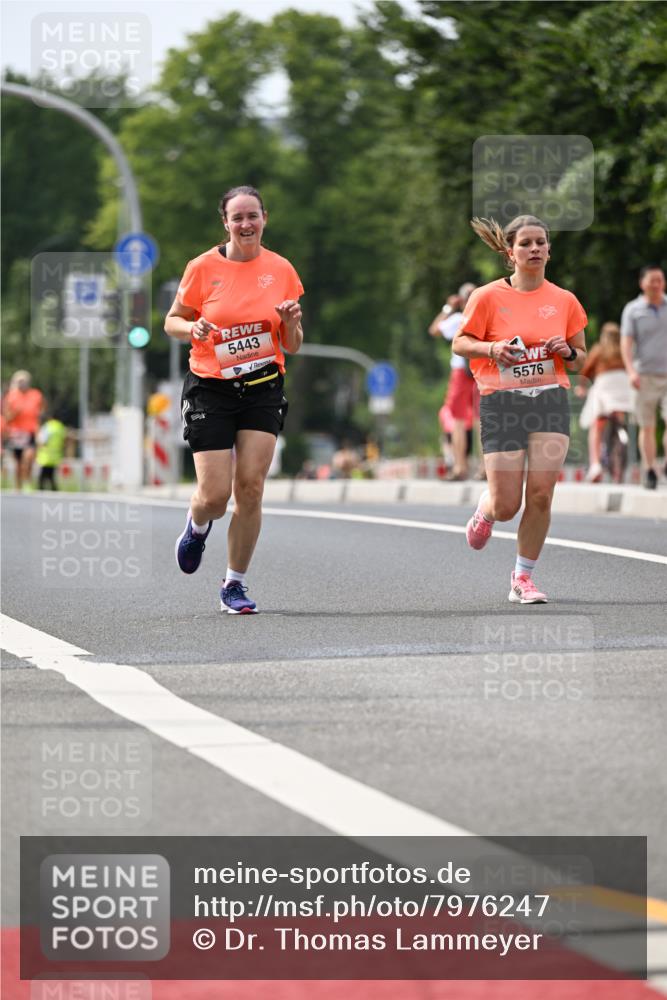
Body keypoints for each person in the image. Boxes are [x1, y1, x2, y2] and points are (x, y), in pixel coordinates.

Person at [165, 185, 304, 614]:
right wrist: (195, 330)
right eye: (237, 217)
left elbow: (293, 345)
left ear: (265, 219)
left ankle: (234, 585)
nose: (246, 224)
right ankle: (197, 524)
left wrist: (291, 323)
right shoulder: (202, 267)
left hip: (263, 385)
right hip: (211, 386)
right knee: (215, 496)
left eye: (253, 216)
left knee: (251, 488)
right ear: (224, 222)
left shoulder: (281, 270)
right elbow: (172, 320)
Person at [452, 215, 587, 604]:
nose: (535, 249)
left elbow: (580, 358)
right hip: (503, 402)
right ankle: (486, 510)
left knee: (542, 494)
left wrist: (568, 352)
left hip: (549, 400)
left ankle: (522, 578)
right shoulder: (487, 296)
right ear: (509, 253)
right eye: (526, 243)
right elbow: (460, 344)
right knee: (508, 504)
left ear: (549, 249)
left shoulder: (564, 300)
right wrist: (491, 349)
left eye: (541, 242)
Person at [620, 265, 667, 489]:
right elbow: (626, 343)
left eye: (660, 280)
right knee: (647, 426)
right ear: (643, 283)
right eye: (652, 281)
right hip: (644, 375)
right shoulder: (633, 310)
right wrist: (630, 371)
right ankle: (649, 469)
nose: (656, 284)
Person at [429, 283, 479, 480]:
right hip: (480, 369)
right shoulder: (485, 317)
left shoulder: (458, 318)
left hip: (461, 372)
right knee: (480, 420)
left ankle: (460, 467)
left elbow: (434, 330)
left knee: (459, 421)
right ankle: (483, 468)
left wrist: (448, 307)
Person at [575, 322, 634, 482]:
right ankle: (620, 432)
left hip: (605, 386)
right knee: (618, 414)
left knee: (597, 425)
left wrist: (581, 388)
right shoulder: (624, 350)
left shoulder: (599, 350)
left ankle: (595, 465)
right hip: (623, 386)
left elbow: (586, 370)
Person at [2, 370, 45, 491]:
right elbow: (6, 417)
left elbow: (40, 413)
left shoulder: (36, 395)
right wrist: (15, 413)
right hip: (16, 433)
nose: (22, 384)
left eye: (24, 381)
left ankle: (27, 481)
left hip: (30, 431)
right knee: (18, 462)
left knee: (29, 457)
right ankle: (18, 486)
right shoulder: (11, 396)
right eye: (19, 382)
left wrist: (39, 431)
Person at [36, 411, 69, 490]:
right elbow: (65, 441)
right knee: (51, 475)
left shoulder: (47, 426)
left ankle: (41, 490)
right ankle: (54, 490)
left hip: (46, 455)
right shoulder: (61, 427)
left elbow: (41, 440)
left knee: (43, 476)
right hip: (56, 455)